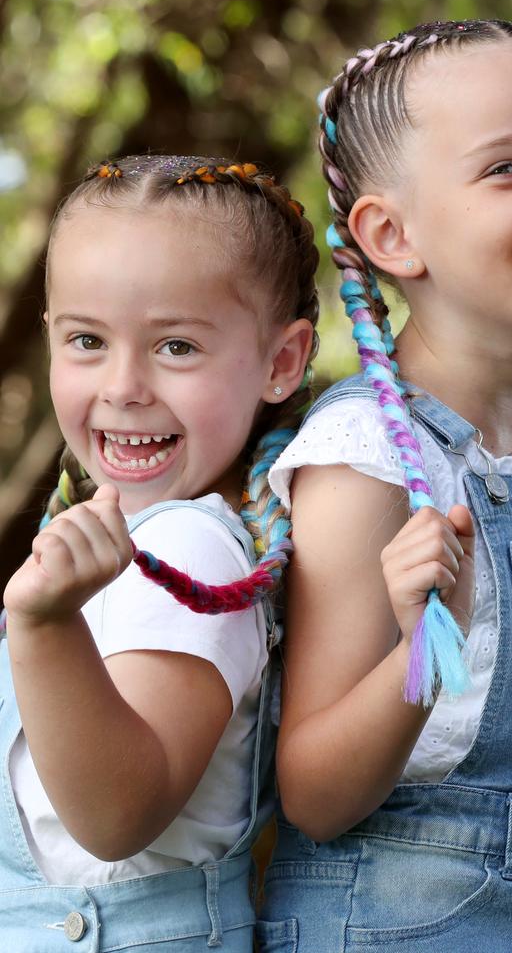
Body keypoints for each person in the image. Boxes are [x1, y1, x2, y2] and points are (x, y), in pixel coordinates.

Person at [256, 20, 512, 951]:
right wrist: (421, 651)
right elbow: (313, 795)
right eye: (507, 169)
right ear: (391, 234)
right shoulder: (367, 458)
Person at [0, 154, 319, 951]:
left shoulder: (192, 548)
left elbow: (116, 815)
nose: (123, 385)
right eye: (86, 341)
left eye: (175, 347)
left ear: (281, 362)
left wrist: (43, 628)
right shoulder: (142, 539)